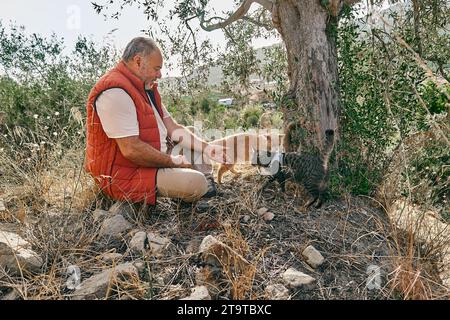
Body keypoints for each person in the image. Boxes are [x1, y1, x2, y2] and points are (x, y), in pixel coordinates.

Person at [85, 37, 228, 205]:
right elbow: (131, 150)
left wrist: (208, 148)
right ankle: (196, 186)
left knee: (191, 133)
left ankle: (204, 182)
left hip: (156, 155)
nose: (160, 75)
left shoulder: (146, 87)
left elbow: (173, 128)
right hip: (126, 174)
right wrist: (174, 162)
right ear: (138, 61)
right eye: (157, 68)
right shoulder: (115, 92)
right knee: (195, 183)